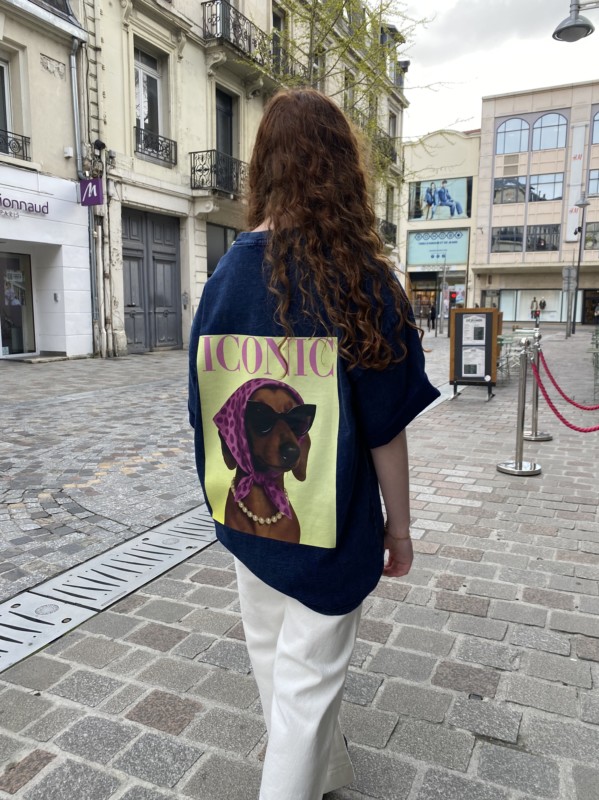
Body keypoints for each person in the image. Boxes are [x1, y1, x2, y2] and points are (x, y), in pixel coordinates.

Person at [188, 88, 440, 800]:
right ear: (342, 169)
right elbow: (386, 427)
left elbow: (200, 402)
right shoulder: (365, 282)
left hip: (246, 520)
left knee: (276, 664)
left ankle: (320, 774)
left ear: (264, 165)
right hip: (331, 533)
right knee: (306, 686)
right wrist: (400, 529)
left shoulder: (226, 274)